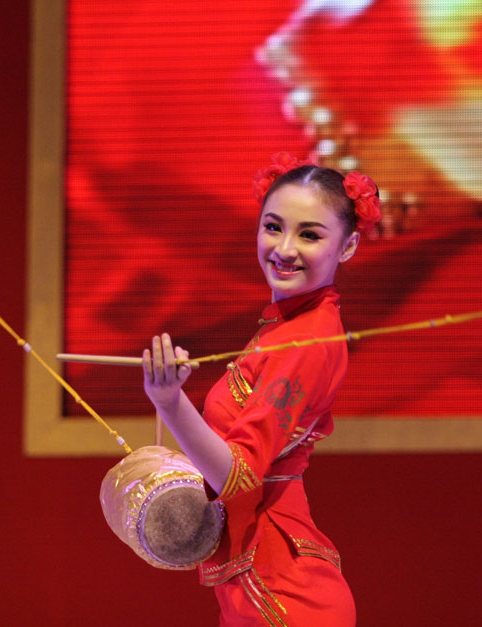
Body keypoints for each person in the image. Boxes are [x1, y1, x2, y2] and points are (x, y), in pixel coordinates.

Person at [142, 152, 380, 626]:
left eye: (309, 235)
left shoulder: (307, 341)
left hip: (283, 591)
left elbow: (239, 473)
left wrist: (170, 402)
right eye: (273, 227)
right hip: (263, 576)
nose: (285, 248)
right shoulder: (287, 327)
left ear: (348, 246)